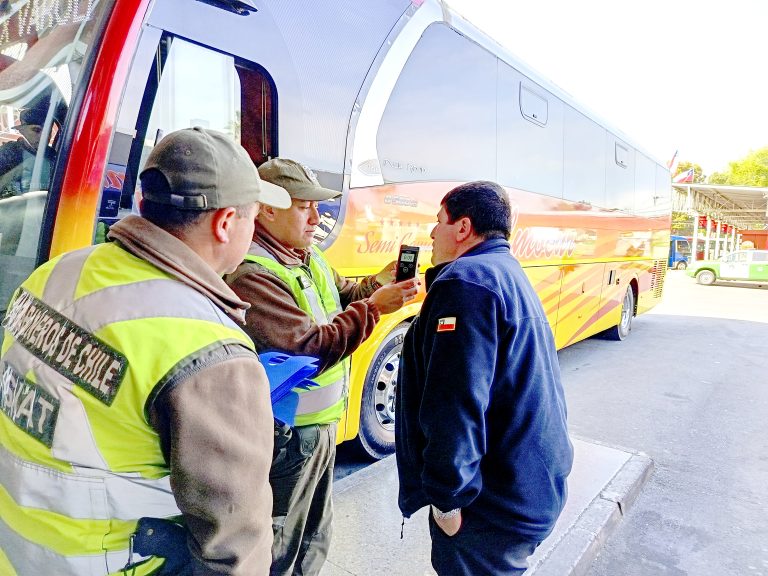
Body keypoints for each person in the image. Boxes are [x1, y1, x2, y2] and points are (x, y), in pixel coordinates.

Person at [0, 127, 291, 576]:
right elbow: (234, 549)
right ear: (226, 223)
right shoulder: (209, 349)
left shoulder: (59, 271)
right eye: (253, 216)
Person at [225, 157, 419, 576]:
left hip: (320, 426)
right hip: (288, 435)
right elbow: (311, 346)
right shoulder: (252, 274)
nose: (317, 217)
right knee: (280, 541)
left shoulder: (304, 256)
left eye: (318, 206)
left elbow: (342, 294)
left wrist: (376, 283)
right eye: (303, 206)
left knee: (313, 534)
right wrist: (373, 308)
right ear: (267, 210)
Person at [395, 181, 574, 576]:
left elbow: (454, 402)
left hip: (491, 503)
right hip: (527, 484)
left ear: (462, 228)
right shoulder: (502, 271)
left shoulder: (465, 283)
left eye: (438, 221)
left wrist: (448, 501)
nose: (431, 232)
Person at [0, 104, 56, 197]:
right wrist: (17, 171)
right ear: (22, 130)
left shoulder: (53, 155)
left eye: (48, 131)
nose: (44, 136)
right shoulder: (8, 152)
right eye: (36, 130)